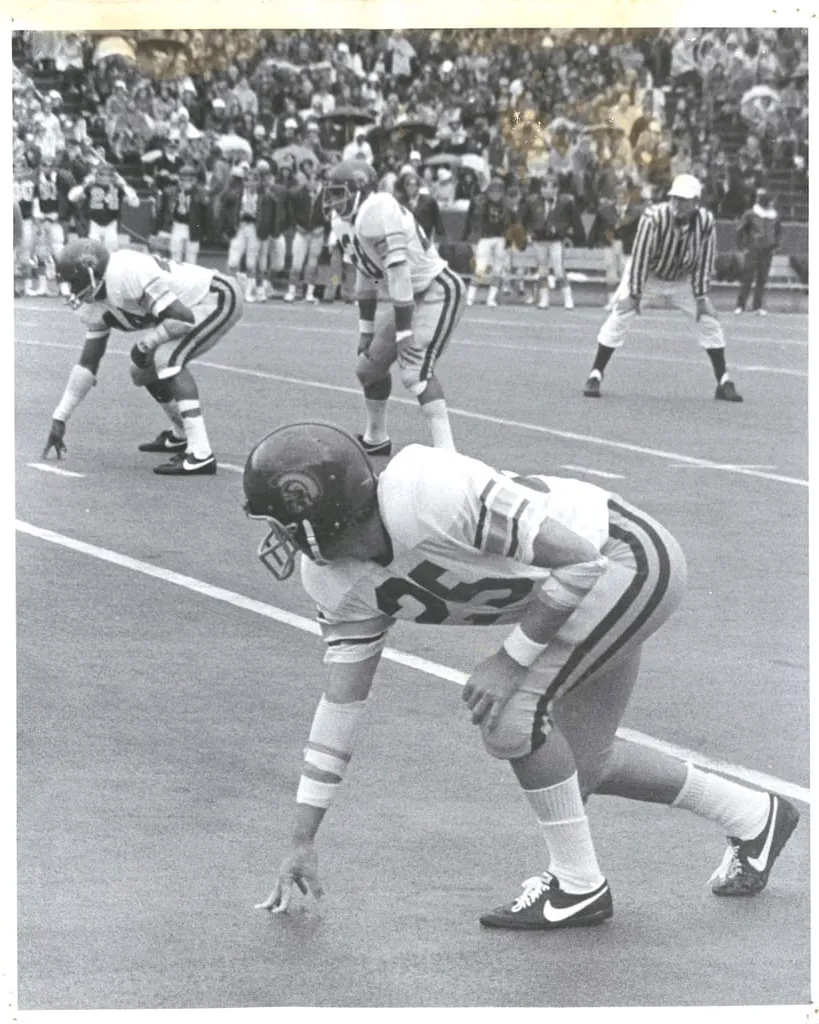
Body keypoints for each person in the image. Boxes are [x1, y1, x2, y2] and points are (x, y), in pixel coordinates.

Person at [244, 422, 800, 925]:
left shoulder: (423, 490)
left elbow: (582, 559)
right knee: (578, 763)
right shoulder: (336, 583)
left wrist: (509, 661)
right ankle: (754, 815)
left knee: (511, 716)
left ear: (322, 511)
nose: (280, 537)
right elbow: (341, 706)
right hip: (580, 591)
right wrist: (302, 837)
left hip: (625, 556)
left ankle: (579, 885)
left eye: (283, 521)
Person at [41, 239, 243, 476]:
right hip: (188, 310)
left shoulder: (124, 273)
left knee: (165, 358)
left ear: (92, 271)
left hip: (215, 296)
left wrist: (149, 342)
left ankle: (200, 454)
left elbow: (183, 318)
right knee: (141, 370)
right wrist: (60, 417)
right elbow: (88, 363)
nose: (72, 291)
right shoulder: (96, 302)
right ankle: (180, 434)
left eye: (74, 283)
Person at [324, 159, 465, 454]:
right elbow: (364, 273)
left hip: (437, 290)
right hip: (411, 296)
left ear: (361, 189)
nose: (334, 202)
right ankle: (376, 438)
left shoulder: (377, 209)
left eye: (339, 193)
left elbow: (399, 272)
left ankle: (447, 452)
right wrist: (366, 330)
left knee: (415, 371)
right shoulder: (344, 222)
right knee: (368, 368)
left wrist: (403, 332)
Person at [583, 174, 743, 402]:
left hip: (682, 279)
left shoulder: (706, 222)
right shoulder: (654, 218)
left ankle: (723, 380)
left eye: (684, 200)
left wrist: (700, 297)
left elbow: (705, 260)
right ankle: (595, 374)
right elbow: (640, 255)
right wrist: (635, 294)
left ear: (695, 202)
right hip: (650, 275)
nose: (677, 204)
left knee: (709, 321)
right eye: (675, 198)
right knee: (619, 316)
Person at [67, 162, 141, 252]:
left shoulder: (118, 187)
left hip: (111, 224)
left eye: (109, 175)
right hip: (94, 224)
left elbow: (135, 203)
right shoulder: (91, 185)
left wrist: (124, 186)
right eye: (103, 174)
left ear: (113, 176)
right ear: (97, 175)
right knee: (93, 252)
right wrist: (85, 184)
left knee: (111, 252)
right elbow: (71, 197)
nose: (106, 178)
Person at [463, 176, 512, 308]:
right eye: (493, 191)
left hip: (500, 238)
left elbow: (511, 223)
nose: (496, 194)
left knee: (497, 270)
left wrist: (510, 241)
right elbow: (472, 219)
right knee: (480, 268)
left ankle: (491, 298)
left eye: (499, 191)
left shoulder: (507, 204)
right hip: (484, 237)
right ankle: (470, 297)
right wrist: (470, 235)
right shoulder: (480, 202)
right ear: (489, 191)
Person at [734, 187, 782, 316]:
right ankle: (740, 305)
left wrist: (776, 245)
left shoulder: (774, 216)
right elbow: (740, 230)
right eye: (770, 201)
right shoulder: (751, 213)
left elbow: (778, 231)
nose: (772, 203)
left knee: (762, 278)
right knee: (748, 277)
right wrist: (743, 246)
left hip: (767, 250)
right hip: (753, 249)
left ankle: (757, 306)